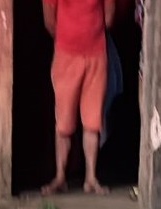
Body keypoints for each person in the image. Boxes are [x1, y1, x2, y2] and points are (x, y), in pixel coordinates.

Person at [41, 0, 115, 196]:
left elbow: (109, 18)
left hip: (95, 56)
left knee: (92, 121)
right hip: (68, 55)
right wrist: (70, 40)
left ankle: (89, 178)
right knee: (64, 122)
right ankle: (62, 177)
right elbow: (49, 21)